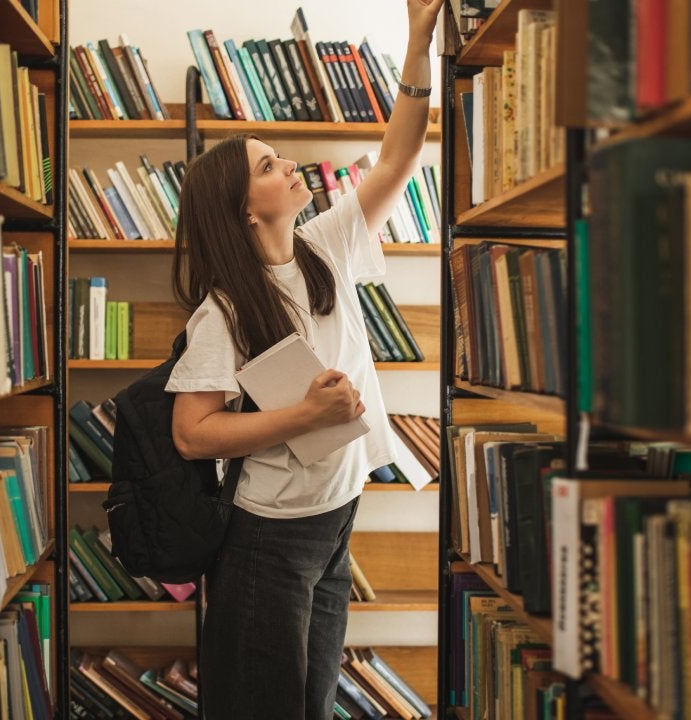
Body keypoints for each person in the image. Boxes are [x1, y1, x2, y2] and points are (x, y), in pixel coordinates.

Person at [163, 1, 442, 717]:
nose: (288, 164)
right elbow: (193, 433)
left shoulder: (326, 245)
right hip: (269, 541)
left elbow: (401, 155)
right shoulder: (223, 309)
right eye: (268, 164)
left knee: (310, 701)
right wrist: (303, 415)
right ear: (244, 209)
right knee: (269, 707)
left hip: (336, 515)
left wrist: (418, 40)